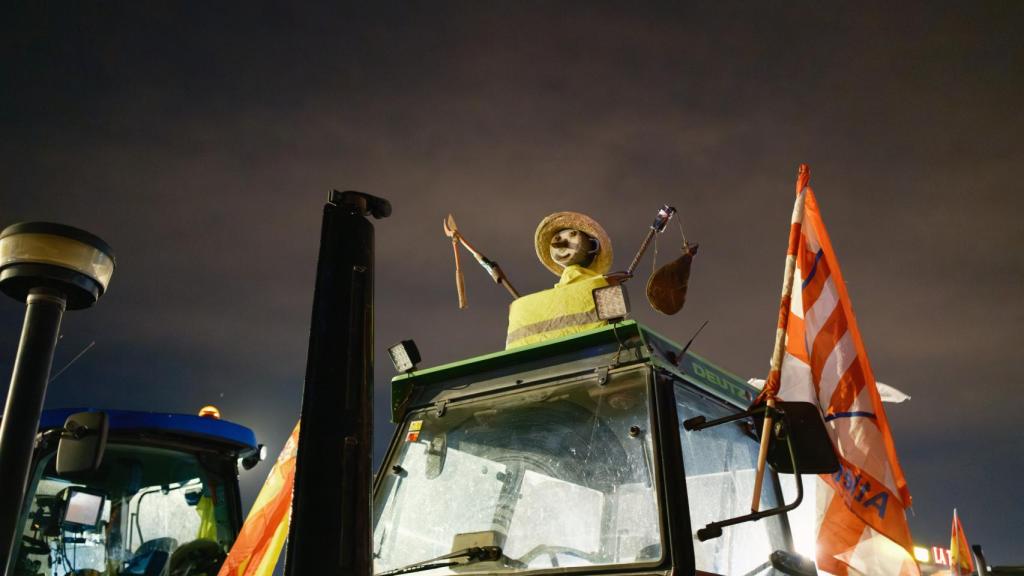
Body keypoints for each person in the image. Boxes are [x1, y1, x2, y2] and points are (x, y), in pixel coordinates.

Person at [506, 212, 620, 349]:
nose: (561, 243)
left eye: (572, 235)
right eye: (558, 238)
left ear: (592, 245)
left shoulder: (521, 307)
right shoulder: (605, 286)